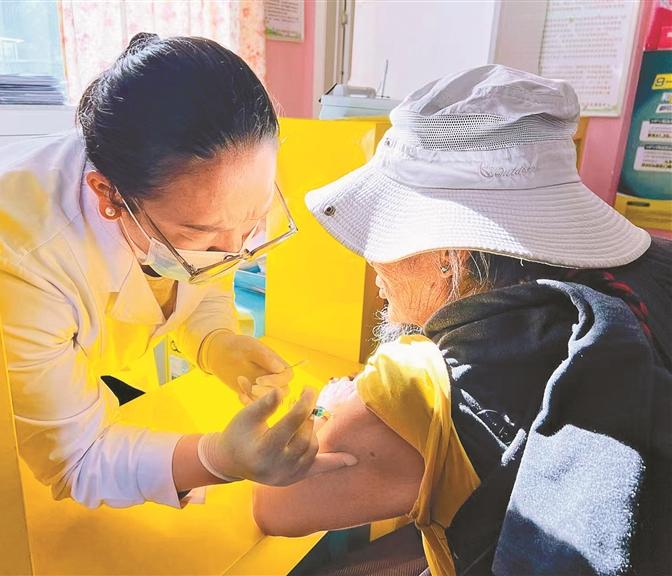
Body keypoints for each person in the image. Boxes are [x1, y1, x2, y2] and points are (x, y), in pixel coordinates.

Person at [252, 66, 671, 575]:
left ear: (450, 257)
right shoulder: (654, 274)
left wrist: (329, 409)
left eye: (386, 233)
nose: (371, 262)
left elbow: (276, 506)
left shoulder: (430, 381)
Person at [0, 34, 356, 510]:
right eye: (202, 233)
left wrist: (214, 341)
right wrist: (217, 460)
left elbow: (204, 280)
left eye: (253, 220)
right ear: (110, 196)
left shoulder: (202, 192)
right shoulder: (22, 257)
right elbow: (77, 458)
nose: (234, 252)